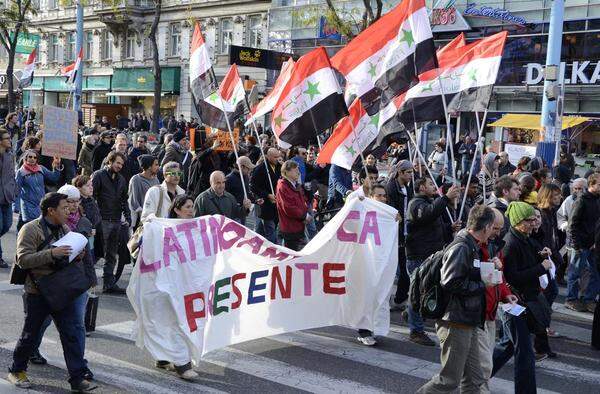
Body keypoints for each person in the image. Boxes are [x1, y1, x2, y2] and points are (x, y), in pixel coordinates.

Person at [8, 193, 97, 392]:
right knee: (30, 334)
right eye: (65, 208)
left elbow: (64, 258)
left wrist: (76, 255)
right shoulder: (30, 229)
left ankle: (77, 378)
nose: (70, 211)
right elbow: (23, 259)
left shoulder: (64, 228)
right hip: (38, 291)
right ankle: (17, 370)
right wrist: (52, 253)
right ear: (51, 210)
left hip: (61, 289)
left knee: (71, 333)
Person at [417, 205, 495, 394]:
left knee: (475, 378)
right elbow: (451, 282)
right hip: (455, 321)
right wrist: (483, 286)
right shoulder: (461, 246)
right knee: (449, 380)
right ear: (485, 228)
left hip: (468, 319)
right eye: (493, 228)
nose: (493, 233)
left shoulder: (472, 245)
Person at [493, 201, 554, 392]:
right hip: (513, 303)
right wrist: (540, 267)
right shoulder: (511, 243)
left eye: (535, 218)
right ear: (519, 221)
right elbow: (513, 276)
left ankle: (476, 376)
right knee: (525, 354)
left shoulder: (525, 238)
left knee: (507, 346)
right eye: (529, 219)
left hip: (523, 301)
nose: (534, 222)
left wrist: (540, 255)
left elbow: (525, 261)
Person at [406, 177, 461, 346]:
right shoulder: (416, 204)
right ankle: (416, 330)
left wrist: (448, 228)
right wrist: (445, 198)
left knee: (425, 291)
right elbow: (426, 216)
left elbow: (430, 228)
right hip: (418, 256)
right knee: (417, 292)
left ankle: (414, 315)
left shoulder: (429, 202)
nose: (434, 187)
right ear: (422, 187)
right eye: (430, 184)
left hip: (429, 255)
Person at [92, 151, 131, 294]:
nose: (120, 166)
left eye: (121, 164)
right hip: (102, 220)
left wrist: (127, 216)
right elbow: (91, 197)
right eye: (117, 163)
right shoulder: (99, 175)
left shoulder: (121, 179)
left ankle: (108, 283)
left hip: (116, 220)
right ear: (110, 161)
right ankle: (85, 281)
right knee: (96, 253)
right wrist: (95, 218)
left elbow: (123, 199)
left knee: (112, 254)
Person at [567, 173, 600, 313]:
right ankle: (571, 299)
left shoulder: (597, 199)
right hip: (581, 244)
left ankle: (589, 299)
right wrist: (576, 245)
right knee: (575, 273)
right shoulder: (582, 200)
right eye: (599, 184)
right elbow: (572, 224)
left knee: (596, 273)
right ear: (591, 185)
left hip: (594, 244)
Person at [385, 160, 414, 310]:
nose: (410, 175)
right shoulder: (390, 187)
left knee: (404, 269)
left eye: (411, 172)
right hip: (392, 233)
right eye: (408, 172)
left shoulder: (408, 190)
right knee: (391, 268)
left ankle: (400, 298)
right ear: (400, 172)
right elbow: (389, 208)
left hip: (405, 234)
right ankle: (385, 299)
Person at [14, 150, 62, 228]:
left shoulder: (41, 168)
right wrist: (16, 206)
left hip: (40, 205)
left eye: (35, 157)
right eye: (30, 157)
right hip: (28, 205)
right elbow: (16, 190)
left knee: (36, 228)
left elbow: (54, 178)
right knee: (31, 228)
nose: (32, 159)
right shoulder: (21, 172)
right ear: (25, 158)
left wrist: (56, 165)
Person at [276, 160, 310, 251]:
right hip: (291, 228)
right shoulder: (283, 186)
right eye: (295, 170)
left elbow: (302, 200)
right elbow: (288, 208)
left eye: (297, 169)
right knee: (293, 255)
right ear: (286, 172)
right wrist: (304, 216)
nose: (298, 172)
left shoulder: (294, 184)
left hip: (298, 226)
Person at [250, 148, 281, 243]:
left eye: (278, 156)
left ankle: (258, 243)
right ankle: (273, 251)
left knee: (264, 229)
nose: (277, 159)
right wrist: (267, 195)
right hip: (266, 204)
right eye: (275, 157)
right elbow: (253, 186)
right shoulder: (260, 168)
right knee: (270, 230)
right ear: (268, 156)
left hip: (277, 204)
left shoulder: (280, 167)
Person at [129, 155, 160, 229]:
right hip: (140, 221)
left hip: (154, 219)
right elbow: (133, 201)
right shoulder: (136, 179)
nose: (158, 167)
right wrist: (143, 216)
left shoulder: (156, 180)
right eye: (156, 165)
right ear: (149, 167)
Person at [225, 156, 257, 225]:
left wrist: (255, 201)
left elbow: (246, 192)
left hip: (243, 211)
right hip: (233, 214)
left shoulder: (245, 177)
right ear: (241, 167)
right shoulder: (229, 179)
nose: (250, 171)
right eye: (248, 169)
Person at [0, 129, 15, 268]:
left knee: (7, 225)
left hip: (7, 196)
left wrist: (13, 191)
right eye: (6, 138)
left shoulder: (10, 155)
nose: (10, 140)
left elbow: (12, 175)